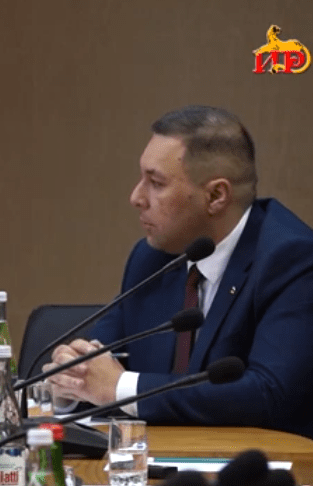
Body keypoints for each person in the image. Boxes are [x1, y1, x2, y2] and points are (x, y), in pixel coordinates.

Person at [46, 105, 313, 438]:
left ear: (216, 196)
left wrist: (122, 387)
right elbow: (101, 359)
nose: (136, 197)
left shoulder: (292, 260)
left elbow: (269, 393)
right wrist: (72, 381)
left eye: (156, 183)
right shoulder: (152, 258)